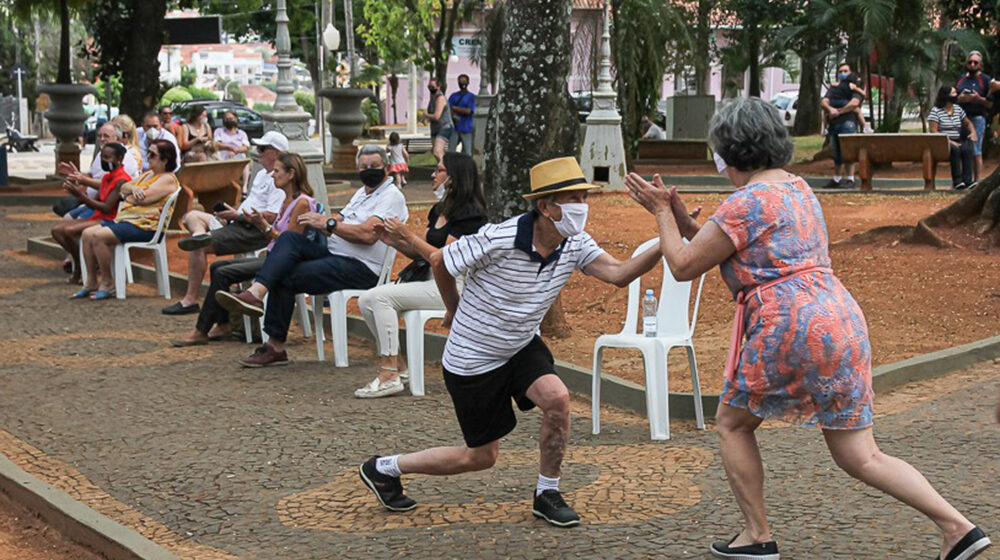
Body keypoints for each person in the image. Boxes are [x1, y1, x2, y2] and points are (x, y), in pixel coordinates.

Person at [623, 97, 990, 560]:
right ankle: (958, 527)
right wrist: (680, 216)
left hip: (788, 324)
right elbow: (728, 242)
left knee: (734, 424)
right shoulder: (798, 189)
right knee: (861, 455)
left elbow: (682, 265)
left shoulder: (744, 202)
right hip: (838, 318)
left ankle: (757, 536)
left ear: (731, 151)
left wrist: (658, 212)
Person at [357, 156, 666, 528]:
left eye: (585, 198)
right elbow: (440, 261)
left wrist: (667, 241)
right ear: (545, 206)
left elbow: (618, 273)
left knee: (557, 399)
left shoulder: (575, 243)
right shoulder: (499, 237)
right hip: (473, 357)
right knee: (482, 457)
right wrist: (454, 310)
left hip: (520, 343)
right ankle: (385, 468)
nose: (582, 207)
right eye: (572, 199)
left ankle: (547, 492)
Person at [216, 144, 408, 367]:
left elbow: (367, 235)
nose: (368, 170)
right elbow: (336, 224)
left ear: (386, 167)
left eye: (374, 166)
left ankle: (272, 341)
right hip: (333, 253)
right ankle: (257, 299)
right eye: (363, 166)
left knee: (283, 272)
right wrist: (318, 223)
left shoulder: (391, 196)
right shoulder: (361, 193)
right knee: (288, 241)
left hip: (361, 267)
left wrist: (329, 223)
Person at [355, 152, 487, 398]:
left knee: (378, 298)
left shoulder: (471, 215)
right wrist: (393, 240)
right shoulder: (439, 210)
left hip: (452, 287)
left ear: (454, 177)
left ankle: (388, 373)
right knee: (367, 300)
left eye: (439, 170)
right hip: (429, 279)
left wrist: (408, 236)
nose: (433, 174)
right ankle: (399, 367)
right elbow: (422, 253)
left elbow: (447, 260)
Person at [170, 153, 317, 347]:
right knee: (218, 268)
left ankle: (201, 330)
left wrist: (262, 225)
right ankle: (222, 324)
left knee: (223, 271)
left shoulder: (302, 203)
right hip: (273, 256)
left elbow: (290, 244)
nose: (272, 175)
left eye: (276, 171)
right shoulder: (287, 201)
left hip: (283, 262)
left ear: (291, 174)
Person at [161, 131, 288, 315]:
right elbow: (251, 203)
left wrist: (237, 215)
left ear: (276, 153)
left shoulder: (279, 178)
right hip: (239, 222)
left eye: (262, 148)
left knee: (201, 248)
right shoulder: (261, 174)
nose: (257, 152)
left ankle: (190, 300)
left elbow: (271, 217)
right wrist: (231, 211)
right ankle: (199, 235)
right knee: (192, 216)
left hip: (254, 230)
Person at [78, 139, 181, 300]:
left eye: (153, 154)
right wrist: (132, 189)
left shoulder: (168, 179)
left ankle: (107, 282)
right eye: (148, 152)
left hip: (145, 226)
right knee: (87, 234)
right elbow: (123, 188)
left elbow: (143, 199)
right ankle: (91, 281)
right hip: (127, 221)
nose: (148, 156)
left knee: (98, 236)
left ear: (165, 159)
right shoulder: (148, 175)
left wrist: (129, 196)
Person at [53, 142, 129, 286]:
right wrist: (78, 184)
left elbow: (107, 208)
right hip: (99, 215)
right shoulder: (108, 177)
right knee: (57, 230)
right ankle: (78, 262)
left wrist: (80, 196)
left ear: (119, 159)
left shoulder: (121, 179)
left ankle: (81, 269)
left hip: (109, 219)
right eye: (102, 157)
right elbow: (97, 197)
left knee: (69, 231)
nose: (104, 161)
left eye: (108, 157)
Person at [821, 62, 865, 189]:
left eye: (845, 71)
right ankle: (837, 178)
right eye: (840, 71)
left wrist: (838, 111)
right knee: (836, 152)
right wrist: (830, 109)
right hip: (834, 124)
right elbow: (824, 102)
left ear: (850, 73)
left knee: (849, 151)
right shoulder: (833, 88)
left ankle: (850, 179)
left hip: (848, 122)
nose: (843, 73)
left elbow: (854, 103)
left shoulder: (853, 88)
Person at [929, 86, 978, 190]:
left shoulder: (957, 109)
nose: (956, 95)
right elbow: (933, 131)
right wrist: (949, 141)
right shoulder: (936, 111)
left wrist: (973, 132)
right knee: (955, 150)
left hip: (958, 139)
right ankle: (957, 181)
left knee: (966, 149)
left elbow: (968, 122)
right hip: (943, 142)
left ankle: (968, 180)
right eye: (953, 93)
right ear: (946, 96)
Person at [956, 50, 992, 182]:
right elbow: (954, 97)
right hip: (962, 118)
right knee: (959, 148)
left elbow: (989, 104)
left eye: (975, 62)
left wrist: (978, 99)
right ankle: (961, 180)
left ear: (980, 64)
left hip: (977, 117)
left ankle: (977, 180)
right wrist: (960, 98)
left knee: (976, 149)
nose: (972, 64)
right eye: (970, 62)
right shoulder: (961, 79)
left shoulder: (985, 80)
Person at [421, 79, 453, 163]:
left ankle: (445, 169)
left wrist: (425, 115)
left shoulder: (440, 98)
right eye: (429, 86)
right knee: (437, 152)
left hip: (444, 127)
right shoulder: (433, 98)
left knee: (437, 152)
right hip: (435, 128)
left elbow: (436, 116)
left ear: (438, 87)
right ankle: (441, 170)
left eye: (432, 87)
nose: (430, 88)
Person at [447, 74, 476, 155]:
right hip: (454, 128)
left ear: (468, 82)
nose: (462, 83)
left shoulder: (471, 97)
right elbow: (448, 109)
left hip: (466, 128)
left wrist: (455, 108)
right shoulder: (453, 96)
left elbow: (468, 111)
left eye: (464, 81)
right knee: (451, 151)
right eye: (460, 81)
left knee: (467, 152)